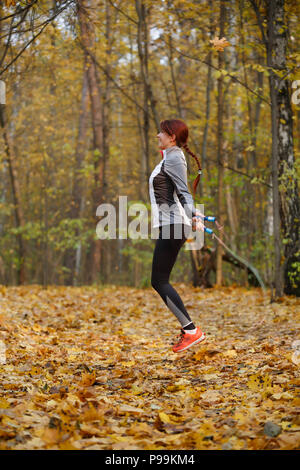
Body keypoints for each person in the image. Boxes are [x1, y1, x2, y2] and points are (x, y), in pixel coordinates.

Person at [149, 119, 206, 353]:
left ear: (172, 137)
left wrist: (193, 213)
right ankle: (190, 329)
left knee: (159, 280)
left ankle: (191, 331)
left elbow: (184, 192)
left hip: (174, 224)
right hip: (172, 223)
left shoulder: (173, 158)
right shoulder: (170, 157)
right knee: (159, 280)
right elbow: (178, 191)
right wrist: (193, 215)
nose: (157, 135)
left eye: (161, 132)